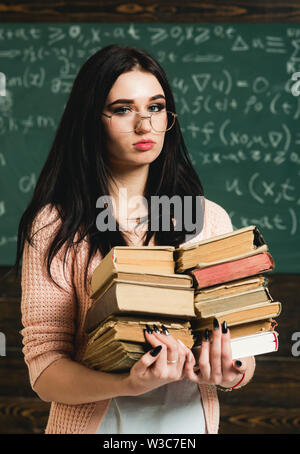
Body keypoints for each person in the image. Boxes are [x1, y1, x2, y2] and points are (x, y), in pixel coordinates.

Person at [14, 44, 255, 435]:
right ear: (92, 120)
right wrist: (128, 384)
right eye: (123, 109)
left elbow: (241, 344)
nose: (145, 126)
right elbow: (45, 368)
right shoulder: (56, 225)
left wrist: (232, 371)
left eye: (156, 107)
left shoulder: (209, 220)